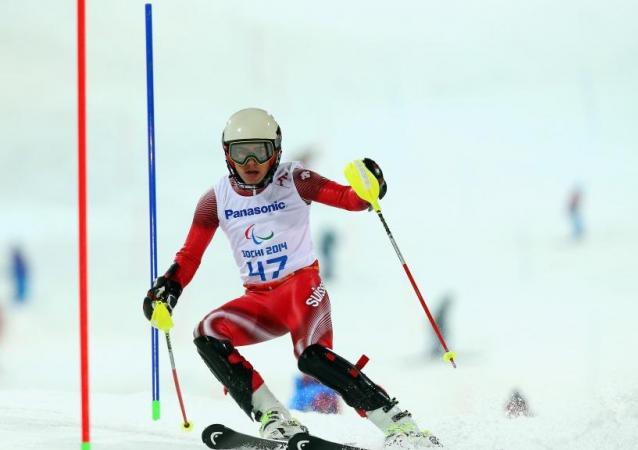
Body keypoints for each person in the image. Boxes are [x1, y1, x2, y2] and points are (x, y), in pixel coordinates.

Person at [142, 108, 440, 448]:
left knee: (311, 357)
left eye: (261, 150)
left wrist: (370, 187)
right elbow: (190, 255)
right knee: (207, 334)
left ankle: (399, 424)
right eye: (241, 152)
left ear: (277, 151)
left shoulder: (294, 179)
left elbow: (349, 199)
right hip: (259, 300)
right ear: (227, 154)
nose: (250, 161)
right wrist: (168, 288)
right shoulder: (215, 200)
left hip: (302, 289)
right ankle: (272, 416)